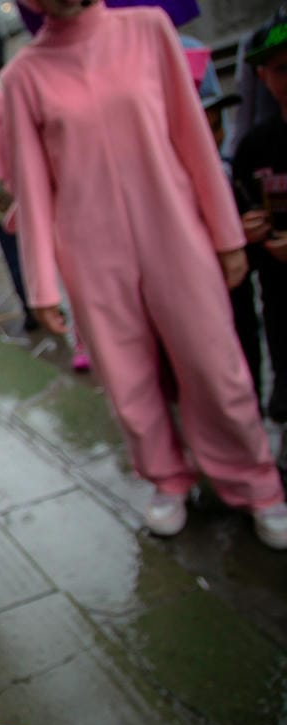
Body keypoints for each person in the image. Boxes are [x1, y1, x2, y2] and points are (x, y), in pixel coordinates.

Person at [0, 0, 287, 548]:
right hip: (90, 251)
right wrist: (41, 286)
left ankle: (256, 481)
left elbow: (193, 138)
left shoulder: (149, 30)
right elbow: (32, 188)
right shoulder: (24, 77)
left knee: (214, 364)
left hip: (175, 230)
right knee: (126, 378)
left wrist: (226, 235)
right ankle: (166, 476)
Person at [232, 10, 287, 452]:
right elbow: (242, 212)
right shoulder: (254, 147)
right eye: (280, 68)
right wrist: (248, 235)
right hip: (279, 297)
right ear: (263, 77)